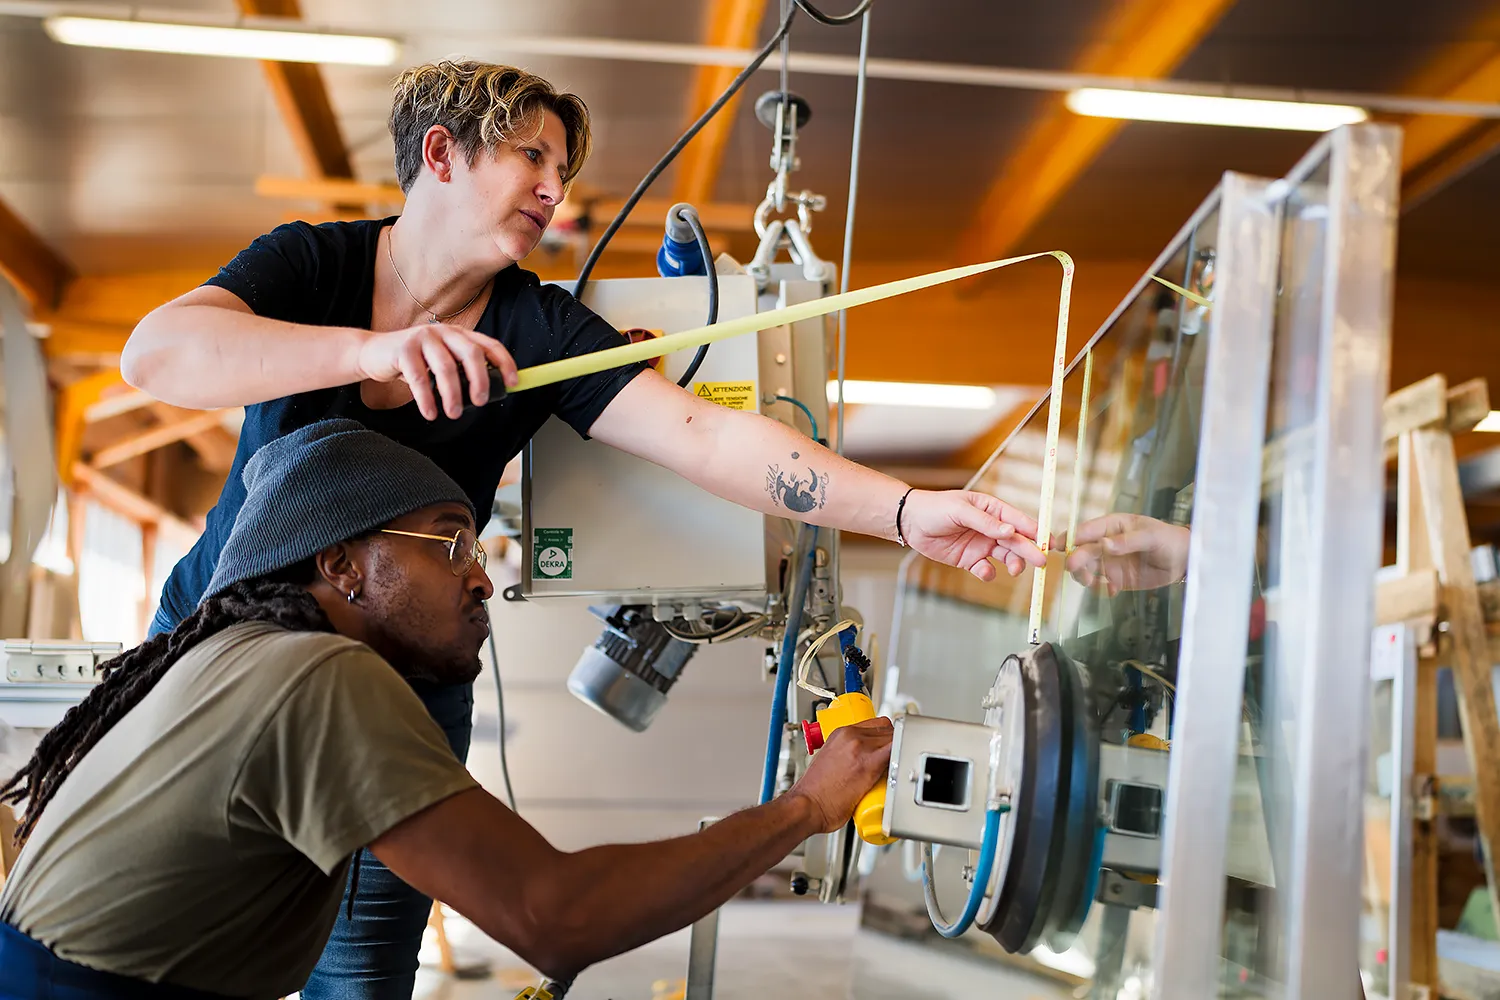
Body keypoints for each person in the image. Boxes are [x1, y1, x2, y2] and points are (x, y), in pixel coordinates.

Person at [120, 59, 1042, 995]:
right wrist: (372, 347)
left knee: (356, 981)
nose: (557, 193)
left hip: (396, 688)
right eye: (533, 157)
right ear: (442, 153)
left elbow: (706, 435)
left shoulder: (539, 329)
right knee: (159, 929)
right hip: (217, 647)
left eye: (561, 169)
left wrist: (908, 511)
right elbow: (154, 354)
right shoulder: (311, 265)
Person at [0, 421, 894, 1000]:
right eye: (450, 541)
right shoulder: (316, 679)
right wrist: (807, 807)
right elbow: (554, 917)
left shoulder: (235, 660)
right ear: (343, 566)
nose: (481, 574)